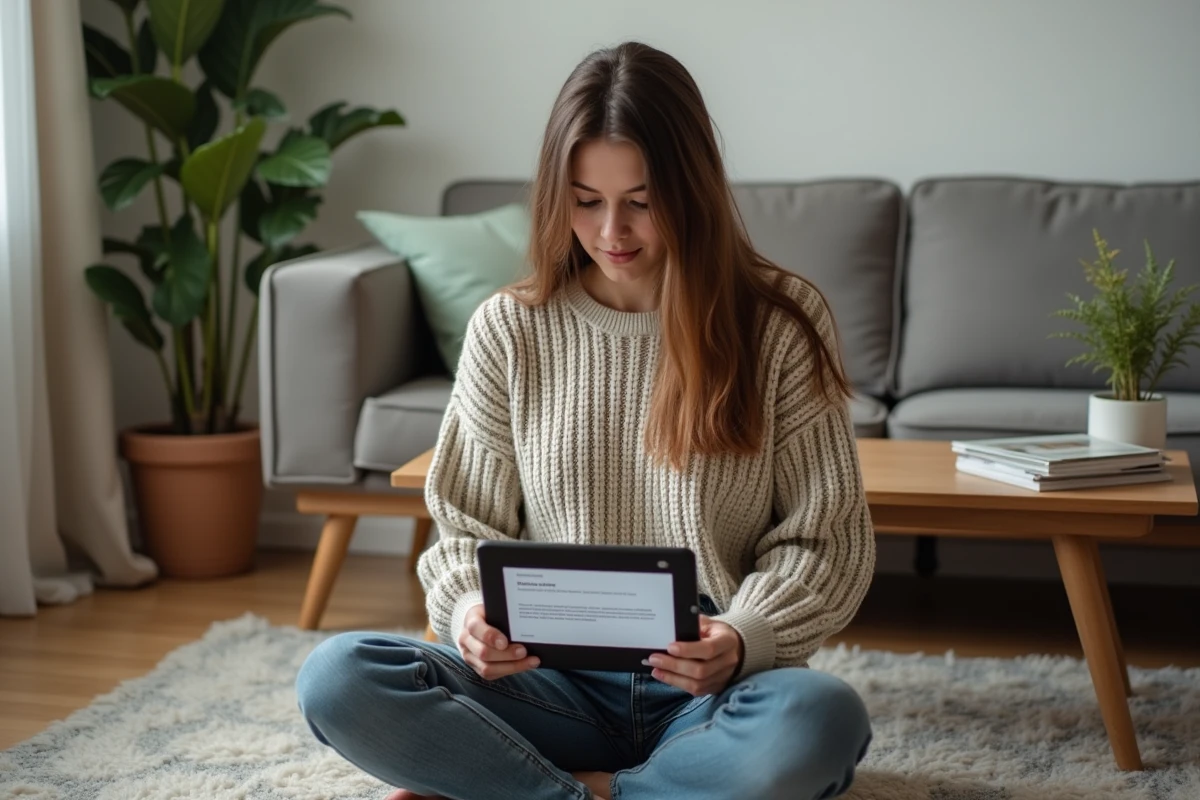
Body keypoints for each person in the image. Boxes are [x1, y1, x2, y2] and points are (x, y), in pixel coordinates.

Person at [296, 41, 876, 800]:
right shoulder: (509, 327)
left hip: (708, 694)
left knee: (822, 719)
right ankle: (614, 791)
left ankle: (531, 789)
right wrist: (470, 611)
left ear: (692, 186)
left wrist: (742, 639)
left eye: (641, 200)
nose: (612, 232)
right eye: (586, 200)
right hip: (544, 690)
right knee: (338, 678)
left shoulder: (779, 324)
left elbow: (824, 539)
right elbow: (463, 526)